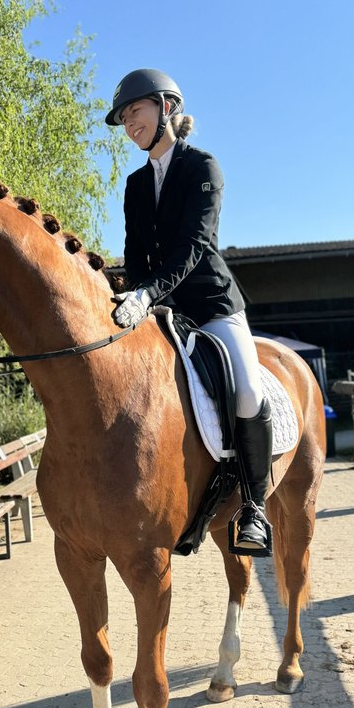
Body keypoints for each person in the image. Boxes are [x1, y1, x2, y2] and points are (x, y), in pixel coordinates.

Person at [106, 68, 273, 553]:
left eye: (134, 110)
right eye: (123, 116)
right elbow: (136, 252)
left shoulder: (203, 167)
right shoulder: (136, 185)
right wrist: (135, 291)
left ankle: (254, 508)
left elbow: (195, 246)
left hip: (214, 305)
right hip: (162, 308)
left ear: (167, 107)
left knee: (245, 391)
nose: (128, 122)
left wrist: (147, 293)